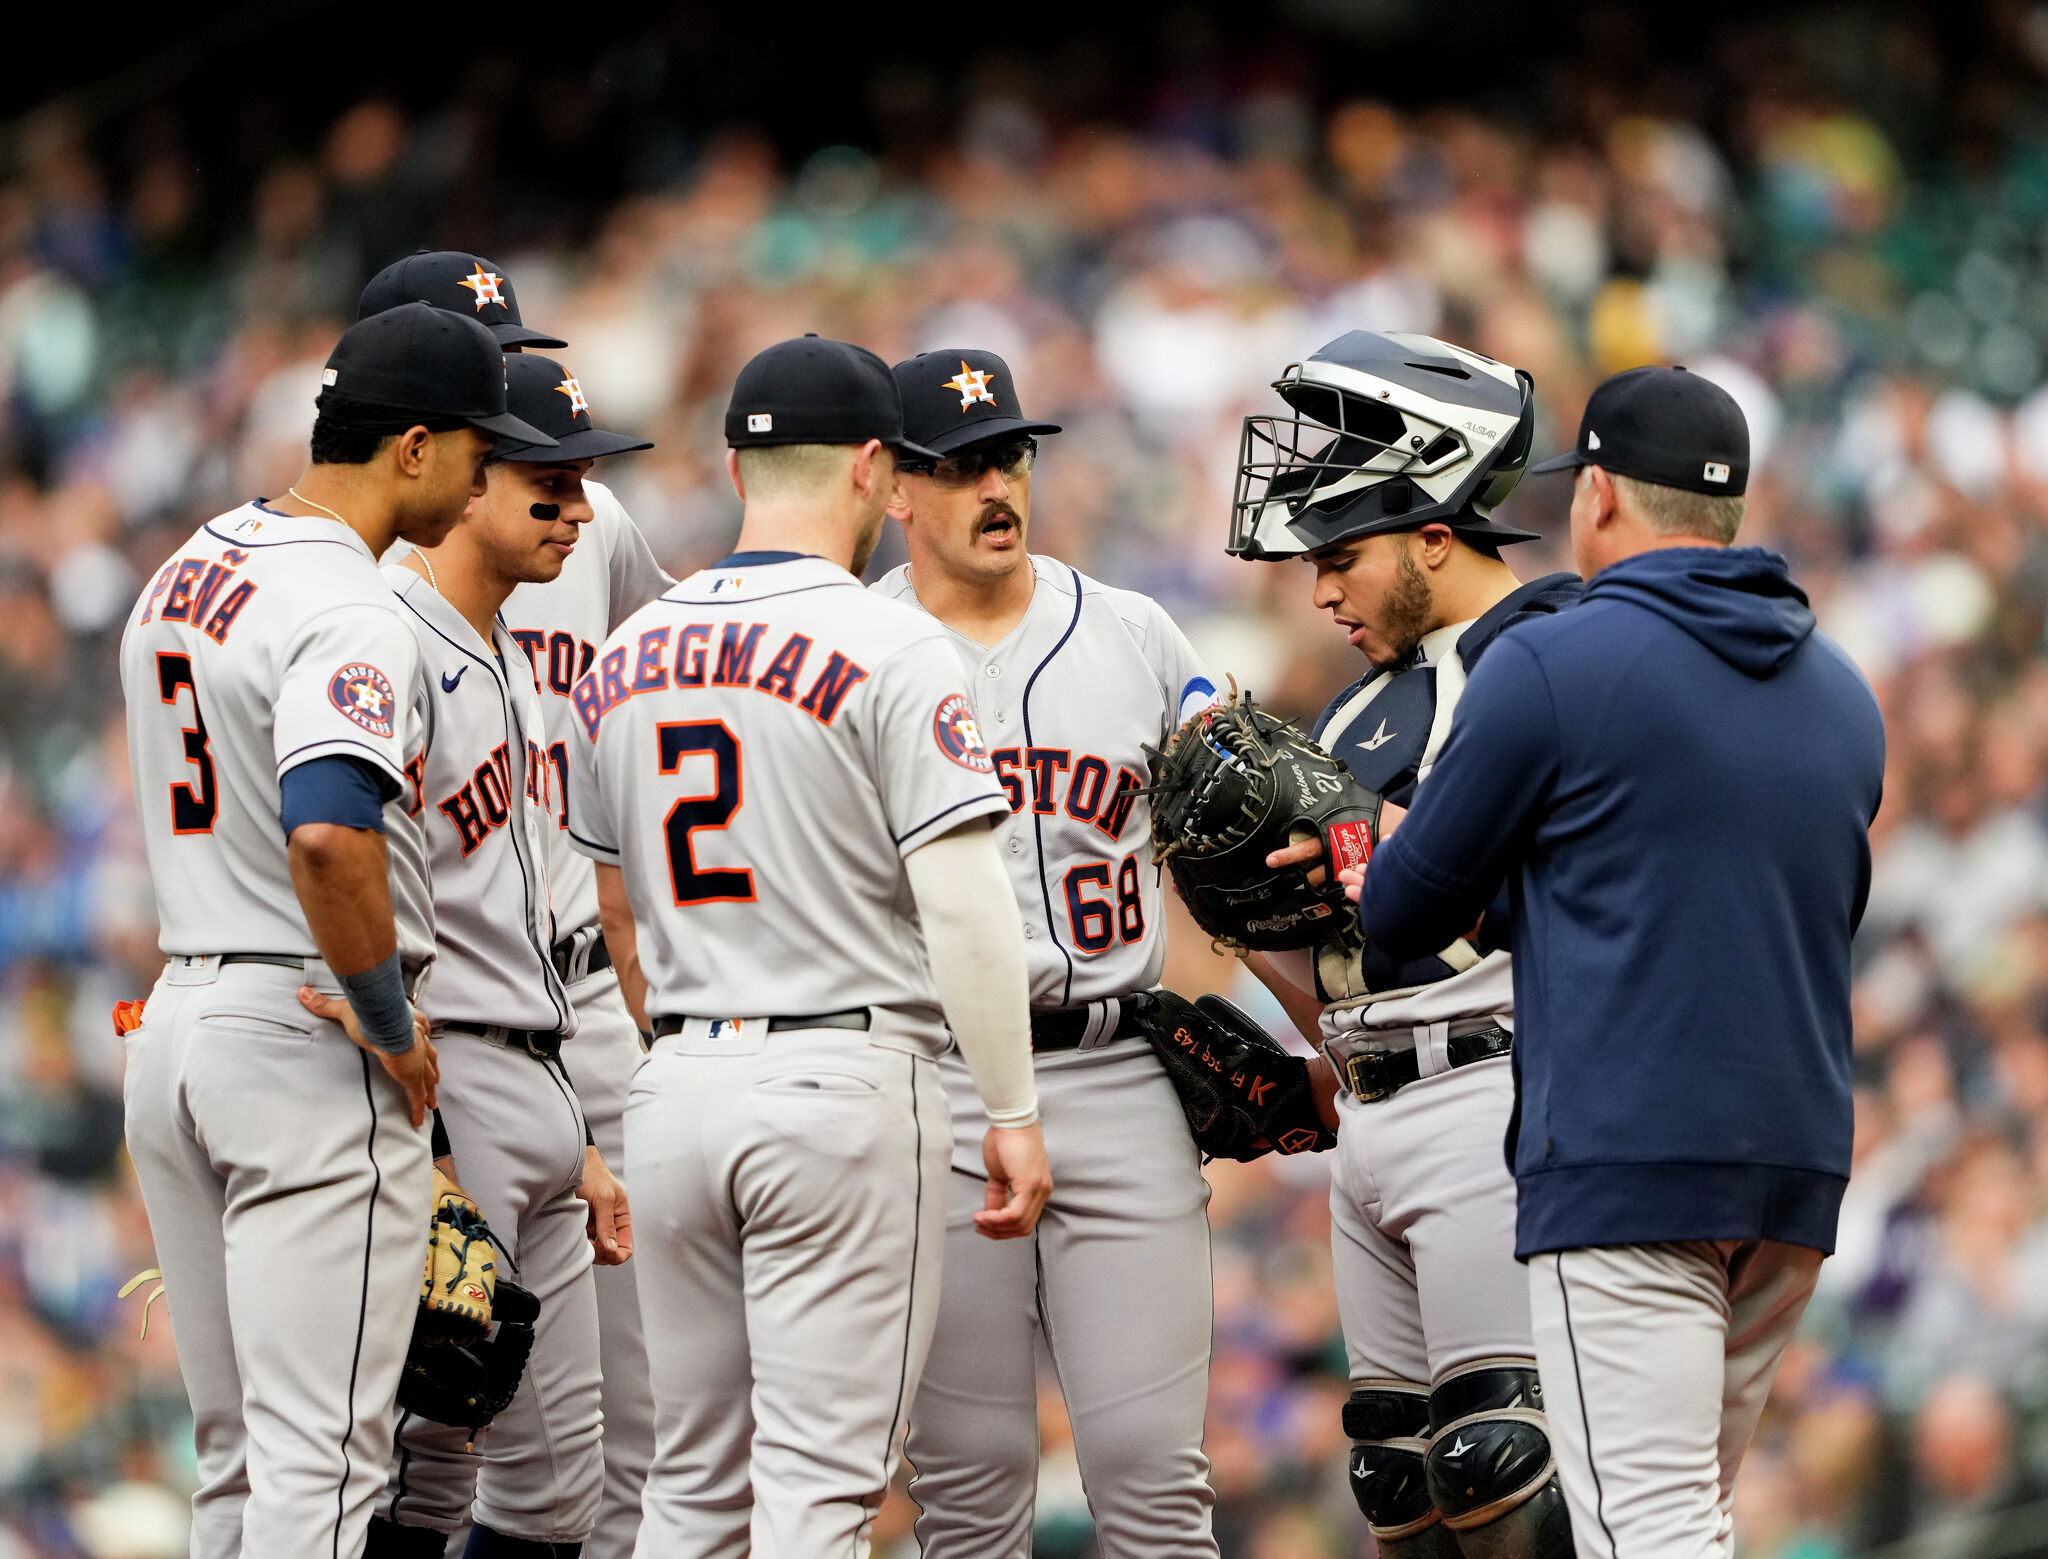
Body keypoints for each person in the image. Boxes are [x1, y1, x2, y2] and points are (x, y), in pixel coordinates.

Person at [1348, 366, 1886, 1558]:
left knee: (1644, 1536)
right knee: (1689, 1520)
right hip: (1791, 1172)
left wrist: (1382, 840)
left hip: (1629, 1165)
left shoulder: (1555, 663)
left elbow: (1396, 908)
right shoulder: (1844, 694)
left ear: (1595, 494)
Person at [566, 335, 1052, 1557]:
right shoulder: (890, 643)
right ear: (879, 470)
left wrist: (679, 1036)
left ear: (737, 469)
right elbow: (964, 902)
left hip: (669, 1083)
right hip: (839, 1082)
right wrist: (1011, 1103)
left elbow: (613, 906)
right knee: (818, 1490)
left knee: (688, 1481)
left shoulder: (623, 651)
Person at [119, 302, 553, 1559]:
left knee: (239, 1461)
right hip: (303, 1034)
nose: (488, 475)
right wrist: (389, 1020)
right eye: (479, 445)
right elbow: (326, 828)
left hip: (181, 1019)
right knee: (324, 1467)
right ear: (412, 447)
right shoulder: (350, 601)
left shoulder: (191, 557)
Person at [871, 348, 1222, 1559]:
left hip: (1113, 1065)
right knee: (968, 1490)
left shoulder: (1133, 631)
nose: (993, 484)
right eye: (956, 465)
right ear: (894, 488)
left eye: (1007, 455)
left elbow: (1229, 859)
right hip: (936, 1085)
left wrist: (1300, 1026)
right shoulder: (847, 646)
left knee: (1153, 1477)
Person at [1234, 329, 1579, 1558]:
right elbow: (1342, 925)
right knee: (1397, 1479)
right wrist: (1236, 919)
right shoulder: (1355, 697)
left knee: (1505, 1459)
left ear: (1436, 532)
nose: (1319, 590)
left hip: (1492, 1077)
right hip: (1370, 1101)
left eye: (1340, 556)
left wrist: (1365, 835)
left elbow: (1564, 878)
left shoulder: (1551, 650)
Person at [360, 254, 672, 1559]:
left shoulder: (591, 530)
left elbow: (669, 710)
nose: (506, 390)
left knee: (634, 1434)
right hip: (441, 1022)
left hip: (584, 1004)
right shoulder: (348, 585)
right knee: (421, 1436)